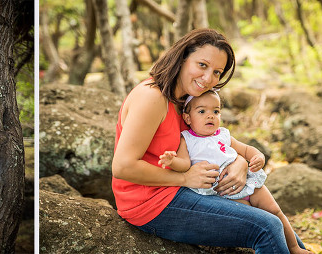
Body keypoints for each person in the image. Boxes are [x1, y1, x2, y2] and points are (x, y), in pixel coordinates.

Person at [111, 28, 310, 253]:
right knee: (266, 226)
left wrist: (240, 163)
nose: (208, 79)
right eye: (202, 65)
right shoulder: (152, 97)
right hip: (151, 203)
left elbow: (214, 142)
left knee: (276, 222)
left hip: (191, 189)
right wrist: (185, 178)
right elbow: (123, 167)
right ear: (182, 57)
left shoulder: (190, 99)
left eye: (217, 72)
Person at [158, 90, 309, 253]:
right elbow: (184, 164)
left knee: (274, 212)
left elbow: (245, 149)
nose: (210, 116)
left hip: (250, 184)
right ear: (187, 118)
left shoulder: (223, 134)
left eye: (215, 111)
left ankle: (294, 248)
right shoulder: (187, 139)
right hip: (223, 193)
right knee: (256, 219)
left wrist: (258, 155)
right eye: (202, 111)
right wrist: (172, 161)